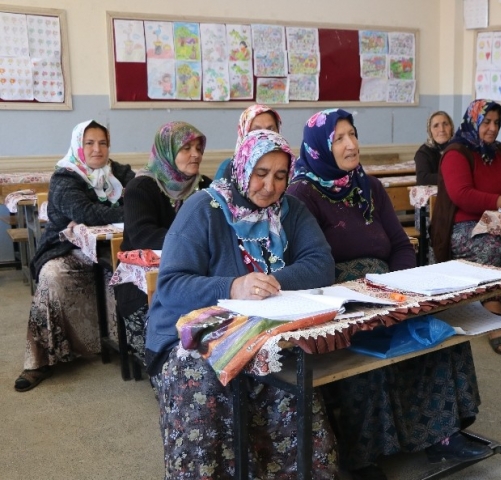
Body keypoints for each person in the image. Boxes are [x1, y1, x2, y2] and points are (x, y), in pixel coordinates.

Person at [288, 109, 488, 480]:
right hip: (339, 299)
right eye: (339, 138)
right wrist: (368, 291)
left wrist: (401, 286)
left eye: (353, 134)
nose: (351, 144)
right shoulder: (302, 194)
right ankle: (364, 457)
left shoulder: (368, 186)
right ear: (319, 147)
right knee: (367, 347)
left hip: (387, 289)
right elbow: (312, 264)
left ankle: (442, 435)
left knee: (439, 332)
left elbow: (399, 244)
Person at [145, 130, 338, 478]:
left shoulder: (290, 210)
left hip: (260, 330)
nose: (270, 186)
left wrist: (271, 282)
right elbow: (171, 286)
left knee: (289, 378)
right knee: (205, 378)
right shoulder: (204, 209)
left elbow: (321, 263)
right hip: (191, 334)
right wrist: (233, 286)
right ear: (242, 168)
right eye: (260, 173)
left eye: (280, 175)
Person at [15, 120, 135, 392]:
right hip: (68, 250)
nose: (97, 149)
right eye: (89, 143)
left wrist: (120, 211)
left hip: (113, 249)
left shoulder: (120, 172)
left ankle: (126, 345)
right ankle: (38, 362)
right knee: (53, 276)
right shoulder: (65, 178)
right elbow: (86, 213)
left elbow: (140, 201)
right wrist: (124, 211)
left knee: (134, 272)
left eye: (102, 143)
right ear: (78, 146)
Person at [433, 99, 501, 356]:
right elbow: (462, 194)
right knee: (494, 250)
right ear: (473, 121)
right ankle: (494, 319)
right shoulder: (456, 153)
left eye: (497, 123)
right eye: (486, 122)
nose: (493, 128)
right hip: (464, 226)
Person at [113, 121, 211, 363]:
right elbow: (142, 235)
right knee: (172, 351)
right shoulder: (141, 187)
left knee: (215, 340)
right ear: (167, 151)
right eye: (186, 148)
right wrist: (193, 244)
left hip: (195, 275)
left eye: (199, 148)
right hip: (144, 284)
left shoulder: (206, 187)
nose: (196, 154)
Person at [214, 104, 281, 180]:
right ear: (244, 134)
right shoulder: (228, 167)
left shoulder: (288, 164)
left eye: (270, 129)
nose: (265, 135)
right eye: (256, 130)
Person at [414, 110, 454, 185]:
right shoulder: (423, 152)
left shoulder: (460, 148)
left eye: (445, 124)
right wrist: (453, 178)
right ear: (430, 131)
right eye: (436, 126)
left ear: (451, 127)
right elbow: (422, 178)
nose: (442, 129)